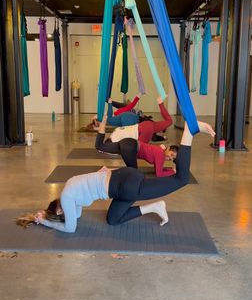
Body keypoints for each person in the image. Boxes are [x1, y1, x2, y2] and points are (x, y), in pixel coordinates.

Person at [16, 120, 215, 232]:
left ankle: (189, 132)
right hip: (121, 181)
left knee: (181, 179)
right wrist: (43, 214)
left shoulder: (68, 198)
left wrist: (44, 221)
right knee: (113, 219)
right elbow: (75, 215)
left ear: (59, 210)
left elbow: (70, 228)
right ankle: (155, 206)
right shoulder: (68, 189)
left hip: (124, 186)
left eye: (60, 212)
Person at [95, 114, 178, 176]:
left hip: (128, 142)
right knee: (133, 173)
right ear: (169, 148)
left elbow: (158, 168)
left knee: (99, 146)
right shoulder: (161, 155)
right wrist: (173, 172)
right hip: (131, 147)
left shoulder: (159, 151)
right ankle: (108, 171)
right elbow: (159, 174)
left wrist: (168, 169)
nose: (170, 158)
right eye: (172, 154)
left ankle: (104, 120)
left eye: (172, 159)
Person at [108, 96, 172, 144]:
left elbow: (132, 104)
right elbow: (132, 104)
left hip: (140, 122)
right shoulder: (118, 115)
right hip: (137, 120)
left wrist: (110, 103)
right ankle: (160, 102)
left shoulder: (115, 118)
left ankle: (160, 102)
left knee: (140, 143)